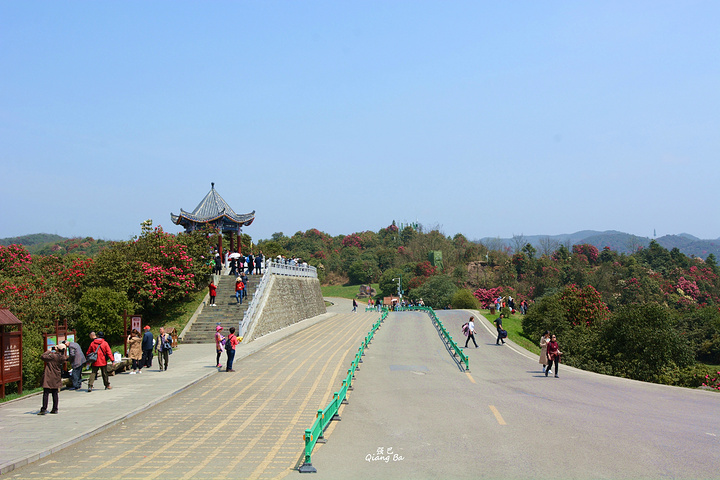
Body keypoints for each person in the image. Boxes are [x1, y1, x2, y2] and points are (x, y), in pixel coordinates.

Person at [38, 343, 68, 414]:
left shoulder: (53, 356)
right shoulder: (62, 357)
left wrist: (49, 350)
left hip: (49, 375)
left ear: (57, 349)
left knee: (46, 392)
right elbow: (61, 355)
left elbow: (42, 356)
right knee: (55, 393)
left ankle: (44, 409)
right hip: (56, 376)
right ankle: (55, 408)